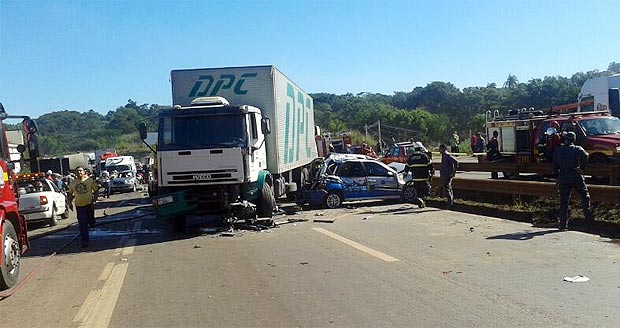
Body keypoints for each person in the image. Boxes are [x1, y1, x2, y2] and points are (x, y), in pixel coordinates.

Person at [552, 131, 593, 230]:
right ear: (574, 139)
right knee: (585, 196)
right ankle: (588, 219)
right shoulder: (577, 149)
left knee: (564, 202)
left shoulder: (558, 151)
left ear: (565, 139)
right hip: (575, 176)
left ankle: (563, 225)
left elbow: (554, 166)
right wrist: (582, 168)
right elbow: (586, 155)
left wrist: (557, 177)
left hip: (563, 178)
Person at [68, 166, 98, 248]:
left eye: (80, 171)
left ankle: (92, 222)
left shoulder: (90, 181)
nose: (79, 173)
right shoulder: (73, 183)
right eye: (77, 171)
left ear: (84, 172)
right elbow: (70, 193)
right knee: (82, 223)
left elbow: (96, 190)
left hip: (89, 204)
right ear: (75, 173)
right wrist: (69, 203)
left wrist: (94, 201)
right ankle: (84, 240)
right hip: (79, 206)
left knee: (90, 221)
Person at [401, 144, 434, 208]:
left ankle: (420, 202)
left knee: (418, 191)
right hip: (424, 178)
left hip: (415, 178)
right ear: (421, 149)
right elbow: (430, 166)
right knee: (425, 191)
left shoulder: (411, 157)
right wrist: (432, 172)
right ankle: (421, 200)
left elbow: (406, 167)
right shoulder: (424, 156)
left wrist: (405, 175)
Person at [439, 144, 459, 210]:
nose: (439, 150)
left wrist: (453, 172)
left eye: (440, 149)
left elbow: (456, 162)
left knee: (448, 189)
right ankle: (450, 203)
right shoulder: (443, 156)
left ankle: (449, 204)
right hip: (445, 175)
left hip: (447, 175)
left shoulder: (447, 155)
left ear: (444, 149)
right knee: (448, 189)